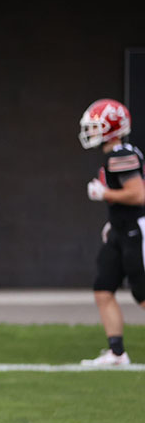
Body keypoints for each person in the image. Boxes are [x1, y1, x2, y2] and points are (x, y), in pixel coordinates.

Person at [78, 98, 145, 366]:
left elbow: (138, 195)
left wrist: (104, 193)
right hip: (120, 230)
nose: (92, 132)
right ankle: (117, 353)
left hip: (135, 231)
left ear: (112, 128)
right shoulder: (115, 155)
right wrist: (113, 222)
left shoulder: (121, 155)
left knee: (142, 294)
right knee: (103, 288)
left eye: (96, 126)